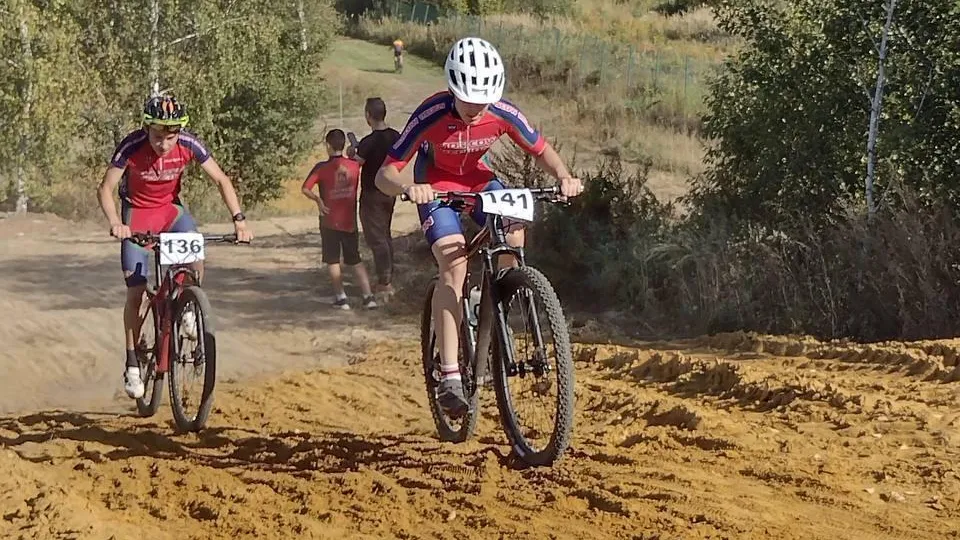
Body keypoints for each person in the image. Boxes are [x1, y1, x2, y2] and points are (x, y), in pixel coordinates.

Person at [374, 37, 584, 418]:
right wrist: (408, 188)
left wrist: (564, 176)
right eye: (468, 99)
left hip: (479, 182)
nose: (476, 109)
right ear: (452, 89)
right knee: (453, 265)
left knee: (514, 231)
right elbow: (383, 174)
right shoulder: (430, 114)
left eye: (483, 101)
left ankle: (497, 302)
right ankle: (451, 372)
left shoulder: (503, 112)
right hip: (434, 186)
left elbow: (540, 149)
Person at [97, 94, 254, 400]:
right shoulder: (131, 146)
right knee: (137, 293)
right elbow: (105, 187)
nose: (164, 144)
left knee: (195, 254)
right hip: (138, 217)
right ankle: (132, 360)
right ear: (147, 128)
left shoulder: (190, 144)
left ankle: (188, 306)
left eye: (171, 137)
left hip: (170, 212)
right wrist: (116, 222)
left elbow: (221, 180)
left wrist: (239, 220)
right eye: (158, 136)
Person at [302, 128, 378, 311]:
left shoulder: (321, 168)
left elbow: (305, 188)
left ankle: (341, 298)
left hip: (329, 221)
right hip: (349, 220)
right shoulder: (353, 166)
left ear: (328, 146)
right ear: (343, 145)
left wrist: (318, 200)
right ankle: (368, 297)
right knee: (355, 260)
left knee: (333, 260)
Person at [346, 97, 401, 300]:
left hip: (372, 194)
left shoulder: (369, 142)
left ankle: (384, 283)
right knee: (385, 235)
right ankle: (387, 278)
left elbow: (357, 162)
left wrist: (352, 153)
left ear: (368, 116)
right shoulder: (396, 136)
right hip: (391, 192)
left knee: (376, 238)